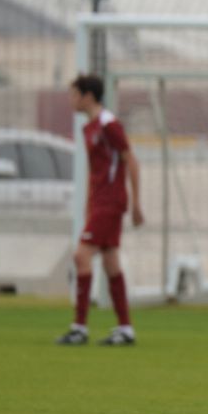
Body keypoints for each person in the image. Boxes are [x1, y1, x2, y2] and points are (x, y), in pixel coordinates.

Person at [56, 75, 143, 346]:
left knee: (81, 256)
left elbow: (131, 160)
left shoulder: (109, 124)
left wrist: (136, 203)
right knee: (110, 261)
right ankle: (125, 328)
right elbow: (96, 170)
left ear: (88, 96)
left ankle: (79, 328)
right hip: (100, 203)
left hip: (111, 202)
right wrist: (89, 204)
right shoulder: (89, 127)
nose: (70, 100)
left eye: (74, 94)